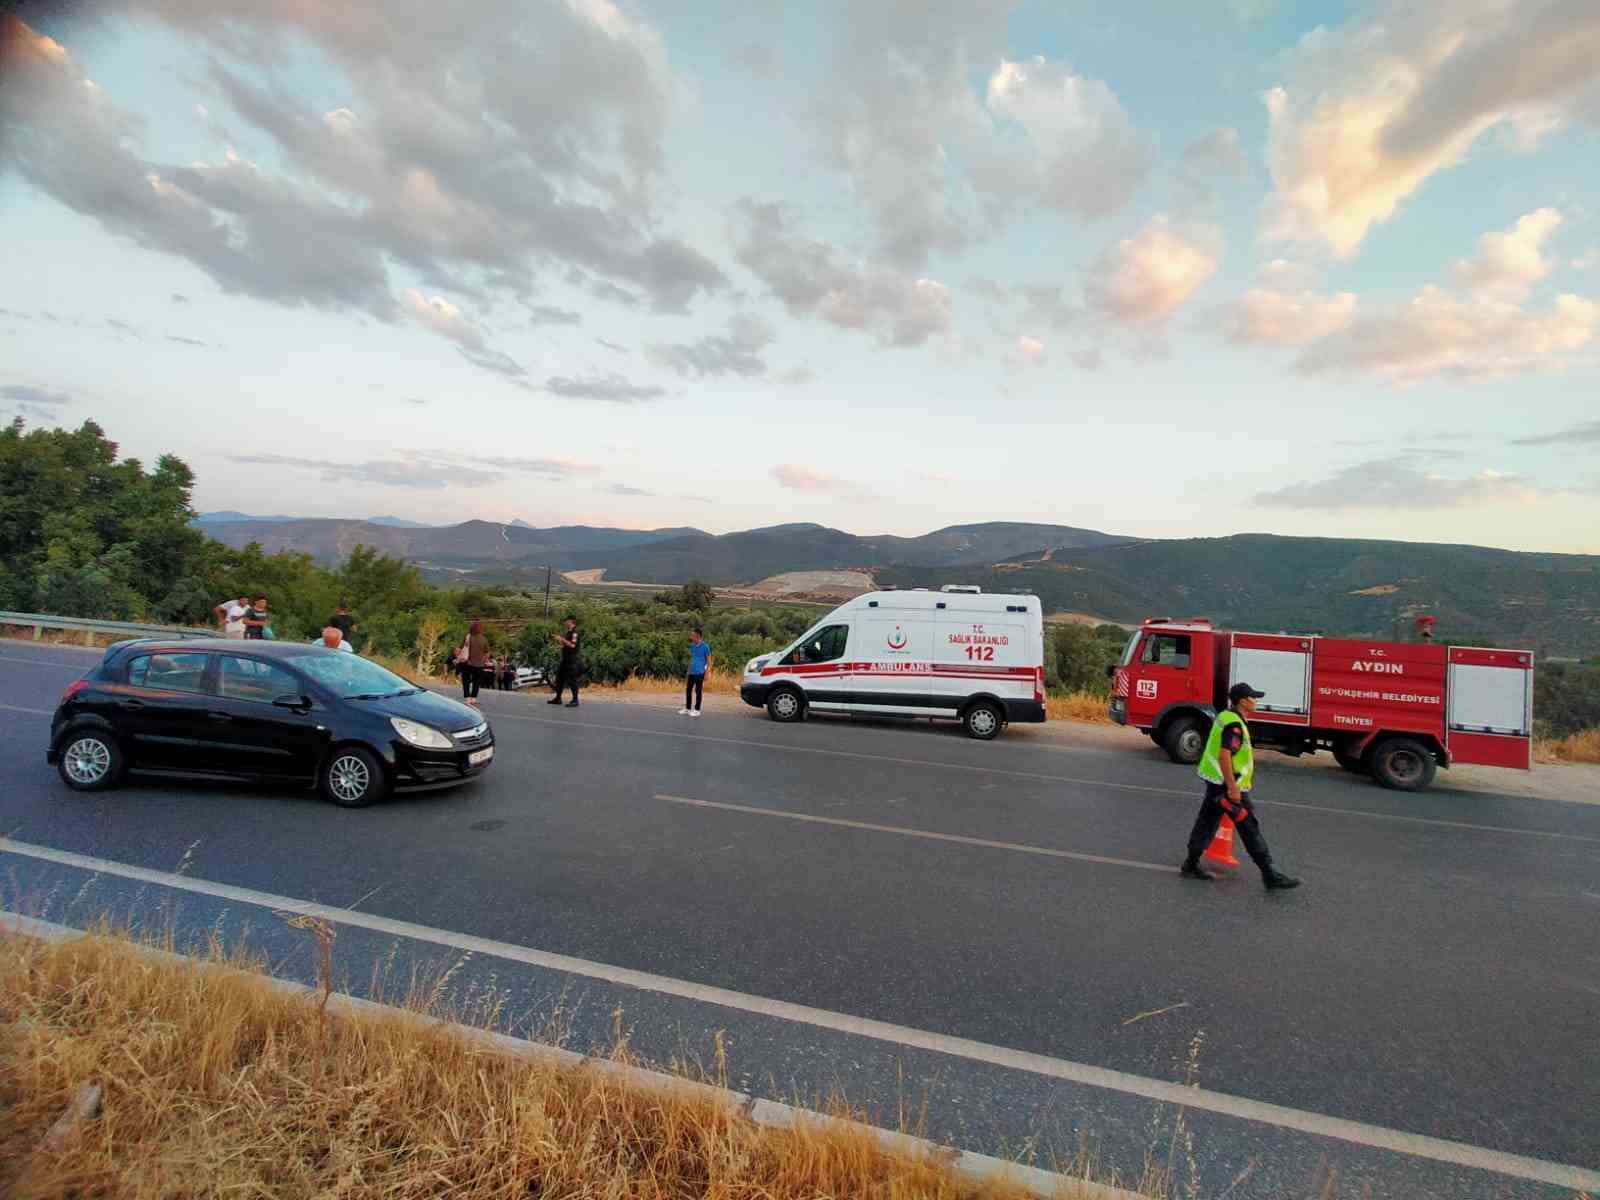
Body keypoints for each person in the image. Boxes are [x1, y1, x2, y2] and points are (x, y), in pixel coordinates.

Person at [1181, 682, 1301, 890]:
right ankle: (1269, 874)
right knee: (1248, 826)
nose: (1256, 701)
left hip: (1216, 782)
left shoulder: (1225, 716)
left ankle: (1191, 863)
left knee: (1207, 820)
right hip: (1228, 784)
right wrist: (1233, 788)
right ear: (1243, 701)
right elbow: (1224, 754)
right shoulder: (1234, 725)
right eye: (1253, 697)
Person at [679, 627, 713, 717]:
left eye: (693, 636)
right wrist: (688, 670)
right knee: (688, 690)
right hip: (691, 672)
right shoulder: (692, 646)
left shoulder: (706, 647)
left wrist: (707, 673)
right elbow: (692, 659)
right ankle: (687, 708)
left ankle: (697, 710)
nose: (692, 637)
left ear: (698, 636)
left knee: (698, 691)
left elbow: (709, 661)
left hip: (700, 672)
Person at [549, 616, 581, 707]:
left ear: (571, 622)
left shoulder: (575, 633)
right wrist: (559, 642)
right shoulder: (568, 633)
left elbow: (573, 645)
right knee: (560, 678)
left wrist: (562, 639)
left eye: (566, 621)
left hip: (571, 660)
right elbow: (566, 645)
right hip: (565, 659)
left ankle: (575, 700)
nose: (565, 623)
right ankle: (558, 698)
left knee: (572, 680)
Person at [460, 620, 488, 706]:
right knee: (477, 682)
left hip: (468, 663)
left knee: (466, 681)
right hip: (479, 665)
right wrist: (483, 661)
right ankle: (473, 698)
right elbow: (486, 652)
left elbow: (463, 648)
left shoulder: (468, 637)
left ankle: (467, 698)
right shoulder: (484, 639)